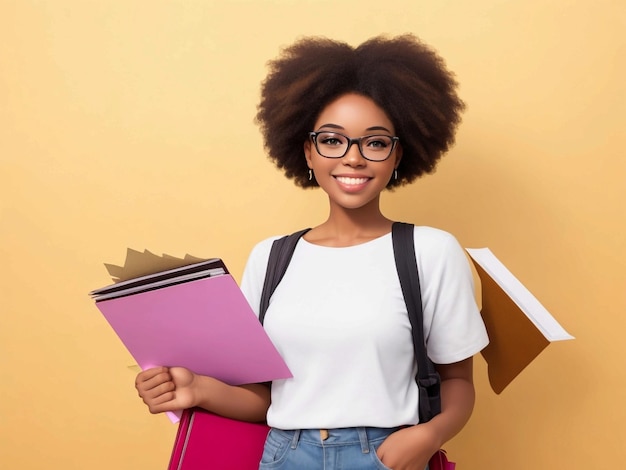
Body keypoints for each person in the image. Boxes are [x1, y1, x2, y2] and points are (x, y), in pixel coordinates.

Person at [135, 34, 489, 470]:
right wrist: (195, 389)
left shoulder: (430, 251)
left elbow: (457, 380)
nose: (353, 158)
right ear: (307, 150)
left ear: (398, 154)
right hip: (283, 455)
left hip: (386, 456)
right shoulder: (270, 258)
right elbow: (268, 400)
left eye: (375, 142)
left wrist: (427, 436)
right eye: (332, 140)